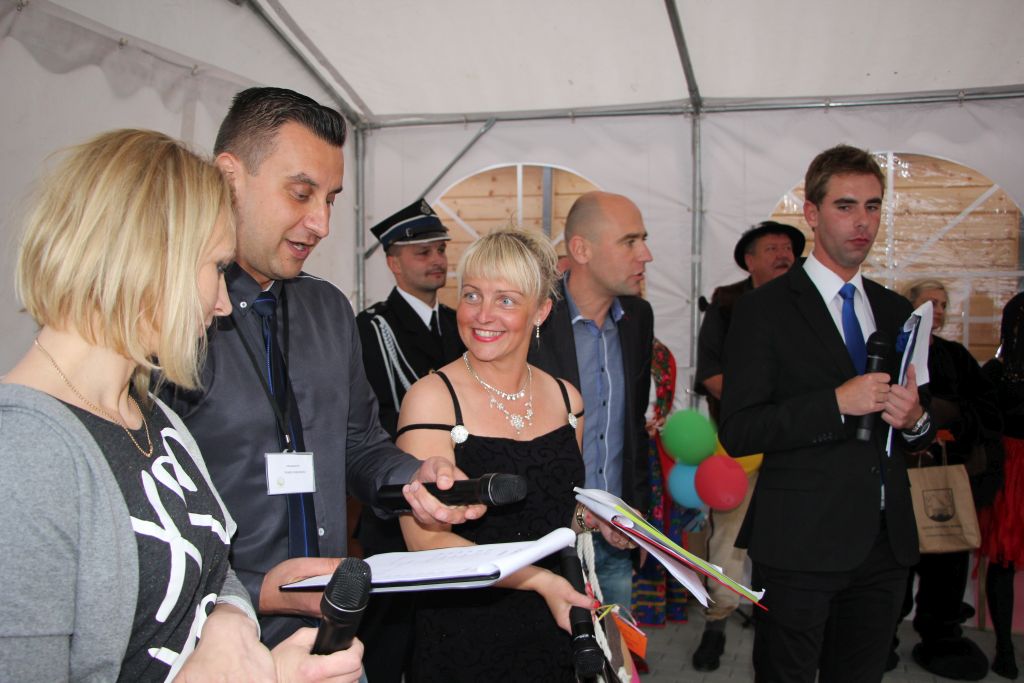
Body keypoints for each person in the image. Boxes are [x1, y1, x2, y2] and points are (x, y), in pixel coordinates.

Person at [0, 129, 362, 681]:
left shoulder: (152, 416)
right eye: (215, 267)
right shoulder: (23, 456)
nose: (223, 305)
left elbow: (211, 572)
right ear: (147, 259)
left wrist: (236, 631)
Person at [164, 87, 483, 648]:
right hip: (212, 643)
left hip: (331, 633)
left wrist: (412, 478)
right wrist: (257, 590)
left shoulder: (328, 309)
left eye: (331, 199)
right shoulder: (167, 317)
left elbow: (358, 443)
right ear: (229, 178)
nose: (321, 223)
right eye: (301, 193)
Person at [719, 144, 934, 683]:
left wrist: (914, 420)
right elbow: (740, 429)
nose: (862, 222)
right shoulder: (763, 309)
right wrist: (835, 404)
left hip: (884, 543)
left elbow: (917, 430)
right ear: (812, 214)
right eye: (845, 206)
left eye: (873, 206)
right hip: (799, 543)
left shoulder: (895, 310)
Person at [397, 228, 633, 682]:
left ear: (541, 310)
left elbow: (554, 512)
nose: (483, 314)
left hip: (555, 624)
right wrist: (538, 581)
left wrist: (598, 519)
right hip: (467, 630)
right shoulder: (432, 398)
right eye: (472, 295)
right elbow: (425, 541)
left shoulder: (566, 399)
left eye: (505, 299)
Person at [353, 199, 465, 682]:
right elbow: (369, 420)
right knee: (389, 640)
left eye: (440, 250)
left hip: (457, 497)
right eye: (422, 252)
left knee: (447, 639)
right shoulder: (370, 327)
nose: (437, 260)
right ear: (393, 262)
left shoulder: (461, 324)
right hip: (397, 505)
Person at [529, 190, 655, 611]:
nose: (646, 255)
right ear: (581, 249)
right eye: (630, 241)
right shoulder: (536, 320)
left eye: (643, 240)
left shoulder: (638, 318)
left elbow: (632, 426)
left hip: (617, 535)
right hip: (546, 538)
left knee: (614, 649)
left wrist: (639, 515)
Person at [690, 220, 805, 671]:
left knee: (792, 536)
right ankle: (717, 623)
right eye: (771, 248)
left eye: (788, 248)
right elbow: (710, 374)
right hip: (740, 444)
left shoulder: (810, 302)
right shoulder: (726, 304)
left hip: (798, 445)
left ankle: (776, 616)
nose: (783, 255)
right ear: (749, 260)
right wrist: (763, 409)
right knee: (729, 539)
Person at [888, 279, 1002, 679]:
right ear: (910, 309)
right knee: (896, 561)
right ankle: (881, 637)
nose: (937, 310)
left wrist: (947, 417)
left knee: (947, 562)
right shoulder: (895, 355)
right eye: (929, 303)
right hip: (900, 479)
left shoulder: (956, 356)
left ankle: (941, 636)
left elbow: (985, 408)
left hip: (947, 478)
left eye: (942, 304)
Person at [980, 292, 1024, 680]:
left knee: (1004, 562)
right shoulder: (995, 373)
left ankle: (1007, 649)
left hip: (1012, 467)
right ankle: (1005, 647)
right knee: (1004, 559)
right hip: (1011, 470)